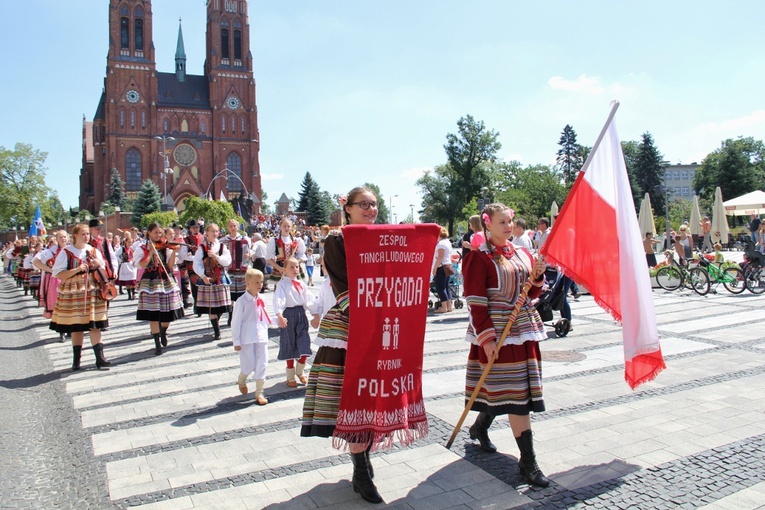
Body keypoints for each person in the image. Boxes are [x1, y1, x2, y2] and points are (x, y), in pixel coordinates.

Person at [301, 186, 383, 504]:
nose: (370, 209)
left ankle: (359, 467)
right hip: (349, 328)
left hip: (379, 325)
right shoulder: (338, 241)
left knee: (371, 402)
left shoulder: (385, 240)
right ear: (347, 208)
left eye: (374, 204)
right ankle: (362, 473)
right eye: (363, 204)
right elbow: (342, 284)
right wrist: (367, 318)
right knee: (352, 402)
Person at [462, 203, 550, 487]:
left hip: (522, 329)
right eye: (502, 223)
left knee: (514, 391)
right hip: (497, 332)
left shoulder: (522, 252)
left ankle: (479, 426)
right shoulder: (479, 257)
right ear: (487, 224)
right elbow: (476, 301)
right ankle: (528, 463)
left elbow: (532, 291)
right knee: (512, 393)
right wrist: (486, 338)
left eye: (510, 222)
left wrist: (537, 274)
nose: (509, 227)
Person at [48, 223, 112, 371]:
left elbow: (103, 270)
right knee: (76, 326)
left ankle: (100, 359)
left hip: (92, 290)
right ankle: (76, 360)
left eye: (87, 234)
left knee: (94, 324)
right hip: (74, 291)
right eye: (83, 234)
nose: (86, 236)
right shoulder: (66, 252)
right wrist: (76, 269)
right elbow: (58, 273)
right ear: (75, 235)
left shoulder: (93, 250)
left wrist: (98, 265)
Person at [134, 223, 185, 355]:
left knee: (168, 312)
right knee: (153, 313)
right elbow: (142, 264)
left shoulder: (165, 246)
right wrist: (151, 251)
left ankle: (163, 330)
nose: (158, 235)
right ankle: (157, 343)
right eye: (155, 233)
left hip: (166, 278)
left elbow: (170, 265)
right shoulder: (142, 247)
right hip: (150, 280)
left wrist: (173, 250)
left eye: (160, 233)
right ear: (149, 233)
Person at [273, 257, 318, 387]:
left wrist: (315, 314)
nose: (295, 269)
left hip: (301, 315)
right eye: (291, 267)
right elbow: (279, 299)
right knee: (290, 343)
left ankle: (300, 371)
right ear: (284, 269)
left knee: (304, 342)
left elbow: (309, 299)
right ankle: (290, 376)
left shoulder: (302, 284)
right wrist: (279, 315)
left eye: (297, 267)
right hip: (289, 315)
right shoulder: (282, 284)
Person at [231, 267, 270, 405]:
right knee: (248, 364)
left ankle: (259, 392)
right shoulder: (242, 301)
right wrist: (236, 340)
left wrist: (278, 321)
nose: (260, 285)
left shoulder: (263, 298)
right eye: (256, 283)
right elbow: (236, 321)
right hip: (247, 338)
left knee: (262, 363)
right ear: (247, 283)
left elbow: (266, 316)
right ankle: (242, 379)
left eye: (261, 282)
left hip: (261, 336)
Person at [192, 223, 232, 340]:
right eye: (212, 231)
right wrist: (203, 276)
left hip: (220, 278)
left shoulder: (222, 247)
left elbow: (227, 262)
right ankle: (217, 331)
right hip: (208, 278)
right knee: (211, 306)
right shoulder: (202, 248)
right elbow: (197, 264)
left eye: (216, 231)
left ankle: (216, 323)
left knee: (221, 305)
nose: (215, 233)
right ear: (207, 233)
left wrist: (216, 257)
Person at [34, 231, 69, 339]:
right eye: (60, 237)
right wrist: (50, 270)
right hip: (56, 280)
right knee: (58, 305)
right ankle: (61, 332)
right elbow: (36, 261)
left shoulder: (71, 249)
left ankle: (70, 329)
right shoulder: (51, 251)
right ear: (57, 238)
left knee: (69, 305)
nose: (63, 239)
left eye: (64, 237)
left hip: (69, 279)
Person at [266, 217, 307, 284]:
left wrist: (295, 263)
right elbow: (269, 258)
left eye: (288, 226)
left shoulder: (297, 240)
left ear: (291, 228)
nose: (286, 228)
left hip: (293, 270)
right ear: (280, 227)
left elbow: (302, 256)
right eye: (284, 226)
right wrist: (279, 268)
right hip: (280, 270)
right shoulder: (274, 240)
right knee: (280, 291)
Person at [179, 219, 204, 309]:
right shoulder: (185, 240)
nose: (196, 229)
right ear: (190, 229)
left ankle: (202, 304)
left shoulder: (204, 238)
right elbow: (184, 255)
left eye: (197, 227)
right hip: (192, 266)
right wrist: (195, 259)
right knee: (194, 285)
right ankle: (197, 304)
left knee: (203, 284)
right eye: (194, 228)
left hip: (203, 265)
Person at [432, 226, 454, 313]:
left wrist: (434, 268)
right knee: (446, 286)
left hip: (441, 267)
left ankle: (443, 307)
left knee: (440, 287)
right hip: (448, 265)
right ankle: (449, 306)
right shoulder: (448, 242)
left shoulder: (441, 244)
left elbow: (440, 257)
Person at [115, 230, 138, 300]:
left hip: (133, 265)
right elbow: (115, 255)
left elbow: (137, 255)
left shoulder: (134, 249)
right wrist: (120, 260)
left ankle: (133, 293)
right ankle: (129, 295)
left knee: (133, 280)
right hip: (125, 265)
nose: (130, 244)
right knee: (128, 281)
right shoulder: (122, 249)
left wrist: (136, 260)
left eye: (131, 242)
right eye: (129, 242)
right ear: (126, 242)